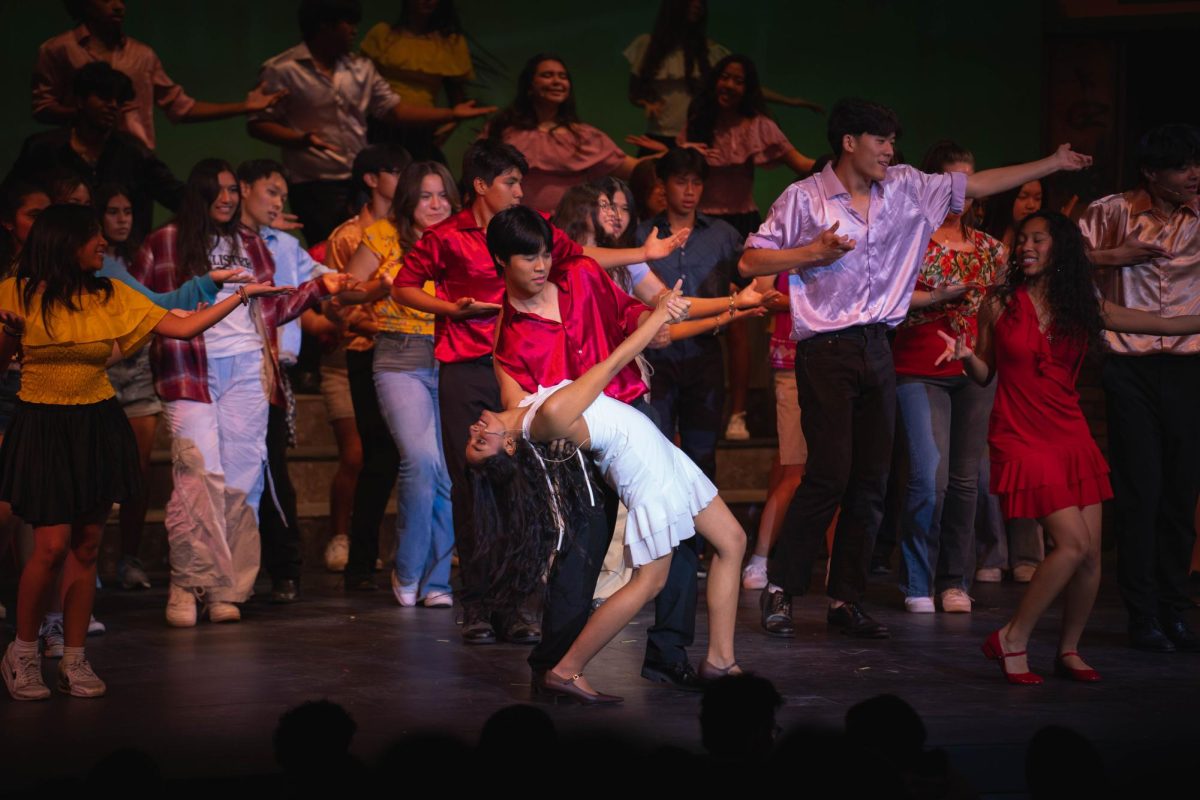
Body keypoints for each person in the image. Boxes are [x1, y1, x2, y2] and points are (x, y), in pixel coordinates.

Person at [739, 97, 1092, 640]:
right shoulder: (803, 198)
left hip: (879, 345)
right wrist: (810, 253)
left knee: (874, 481)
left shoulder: (906, 186)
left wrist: (1051, 163)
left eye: (893, 141)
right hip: (827, 349)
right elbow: (751, 260)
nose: (890, 150)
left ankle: (846, 598)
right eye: (880, 140)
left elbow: (974, 185)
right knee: (830, 472)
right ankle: (782, 589)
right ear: (850, 142)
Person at [391, 138, 689, 644]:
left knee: (533, 491)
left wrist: (643, 255)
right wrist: (451, 310)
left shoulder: (535, 230)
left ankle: (523, 605)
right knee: (480, 484)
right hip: (471, 363)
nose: (518, 190)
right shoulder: (447, 237)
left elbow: (580, 257)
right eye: (509, 181)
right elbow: (403, 286)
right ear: (482, 185)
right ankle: (483, 605)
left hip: (533, 361)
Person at [0, 203, 289, 700]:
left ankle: (74, 658)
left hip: (95, 424)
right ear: (64, 243)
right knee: (49, 547)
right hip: (43, 424)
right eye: (93, 238)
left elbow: (181, 326)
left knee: (87, 546)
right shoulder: (15, 294)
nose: (103, 246)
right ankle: (22, 654)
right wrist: (8, 334)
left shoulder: (108, 294)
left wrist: (241, 295)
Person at [468, 211, 745, 702]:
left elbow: (624, 313)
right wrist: (536, 427)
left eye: (545, 254)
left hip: (632, 420)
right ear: (499, 262)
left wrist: (654, 319)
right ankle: (557, 664)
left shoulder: (580, 275)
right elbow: (522, 412)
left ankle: (672, 657)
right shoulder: (510, 337)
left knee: (685, 548)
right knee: (584, 557)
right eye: (527, 257)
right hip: (577, 447)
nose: (540, 266)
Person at [936, 210, 1200, 684]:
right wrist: (965, 358)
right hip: (1020, 434)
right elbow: (985, 371)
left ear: (1061, 249)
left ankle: (1068, 649)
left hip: (1070, 434)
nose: (1026, 248)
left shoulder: (1083, 307)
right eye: (1023, 241)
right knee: (1072, 544)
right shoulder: (999, 303)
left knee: (1092, 555)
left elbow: (1159, 322)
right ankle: (1012, 638)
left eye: (1039, 239)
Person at [131, 159, 348, 627]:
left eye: (232, 190)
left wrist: (315, 290)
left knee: (242, 479)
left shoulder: (251, 243)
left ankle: (226, 588)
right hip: (189, 369)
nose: (227, 198)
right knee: (197, 474)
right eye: (219, 190)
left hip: (248, 368)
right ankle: (187, 583)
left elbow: (271, 308)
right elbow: (142, 305)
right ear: (199, 193)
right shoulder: (165, 242)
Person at [1080, 122, 1200, 653]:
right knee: (1141, 491)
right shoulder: (1110, 213)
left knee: (1180, 492)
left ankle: (1176, 609)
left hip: (1188, 367)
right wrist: (1110, 257)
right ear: (1151, 172)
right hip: (1128, 367)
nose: (1193, 174)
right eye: (1181, 166)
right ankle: (1142, 611)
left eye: (1196, 164)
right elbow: (1056, 267)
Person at [97, 182, 250, 592]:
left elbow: (161, 308)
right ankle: (81, 568)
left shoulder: (120, 263)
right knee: (91, 475)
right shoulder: (152, 246)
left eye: (127, 210)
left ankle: (127, 558)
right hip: (92, 374)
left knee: (137, 471)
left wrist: (218, 288)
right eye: (111, 211)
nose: (121, 219)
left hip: (136, 372)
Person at [247, 0, 494, 245]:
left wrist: (451, 114)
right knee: (328, 248)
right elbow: (258, 123)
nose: (354, 31)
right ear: (325, 26)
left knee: (374, 242)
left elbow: (393, 110)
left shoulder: (360, 67)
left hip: (357, 175)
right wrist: (300, 139)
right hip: (313, 178)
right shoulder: (283, 69)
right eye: (348, 24)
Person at [891, 141, 1006, 614]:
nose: (963, 193)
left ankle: (953, 580)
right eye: (953, 181)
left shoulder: (991, 249)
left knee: (965, 481)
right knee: (928, 476)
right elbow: (891, 304)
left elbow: (996, 311)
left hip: (974, 368)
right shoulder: (911, 240)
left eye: (969, 181)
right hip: (919, 367)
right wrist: (939, 296)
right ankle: (916, 578)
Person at [343, 161, 457, 606]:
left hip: (452, 357)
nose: (435, 205)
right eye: (426, 196)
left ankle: (437, 582)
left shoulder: (463, 238)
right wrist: (378, 288)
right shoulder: (383, 237)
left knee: (447, 473)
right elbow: (346, 291)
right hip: (399, 357)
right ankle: (407, 571)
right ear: (409, 199)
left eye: (443, 195)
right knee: (421, 460)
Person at [237, 159, 336, 603]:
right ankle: (234, 569)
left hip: (276, 370)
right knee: (240, 472)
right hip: (235, 365)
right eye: (271, 191)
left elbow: (321, 286)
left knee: (273, 468)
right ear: (242, 190)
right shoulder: (223, 245)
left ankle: (285, 568)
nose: (279, 201)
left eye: (282, 194)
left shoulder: (286, 245)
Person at [324, 144, 411, 591]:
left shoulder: (411, 229)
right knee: (377, 454)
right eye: (396, 170)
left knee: (410, 456)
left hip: (414, 349)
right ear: (371, 179)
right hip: (366, 349)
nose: (405, 177)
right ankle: (360, 555)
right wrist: (379, 308)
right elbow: (335, 300)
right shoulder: (349, 236)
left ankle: (411, 555)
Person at [32, 0, 286, 150]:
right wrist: (84, 114)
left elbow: (180, 107)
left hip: (134, 160)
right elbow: (43, 107)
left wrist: (245, 106)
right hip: (79, 159)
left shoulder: (142, 55)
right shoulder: (58, 50)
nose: (118, 6)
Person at [9, 62, 184, 244]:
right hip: (56, 256)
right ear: (80, 100)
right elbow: (11, 201)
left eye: (119, 100)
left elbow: (180, 198)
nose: (113, 105)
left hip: (122, 262)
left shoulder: (134, 153)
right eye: (104, 97)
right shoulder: (43, 149)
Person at [624, 0, 820, 149]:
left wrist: (790, 101)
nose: (697, 6)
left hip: (696, 136)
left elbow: (744, 87)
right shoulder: (648, 46)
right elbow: (634, 91)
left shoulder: (709, 52)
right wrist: (646, 103)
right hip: (657, 134)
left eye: (700, 3)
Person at [485, 54, 664, 214]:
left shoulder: (585, 137)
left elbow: (635, 170)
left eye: (563, 76)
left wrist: (668, 153)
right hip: (517, 227)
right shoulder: (504, 131)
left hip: (572, 229)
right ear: (529, 86)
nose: (557, 81)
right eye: (547, 75)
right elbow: (479, 173)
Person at [360, 0, 476, 161]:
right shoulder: (383, 35)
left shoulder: (449, 43)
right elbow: (362, 87)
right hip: (383, 127)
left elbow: (458, 101)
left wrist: (446, 129)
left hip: (423, 131)